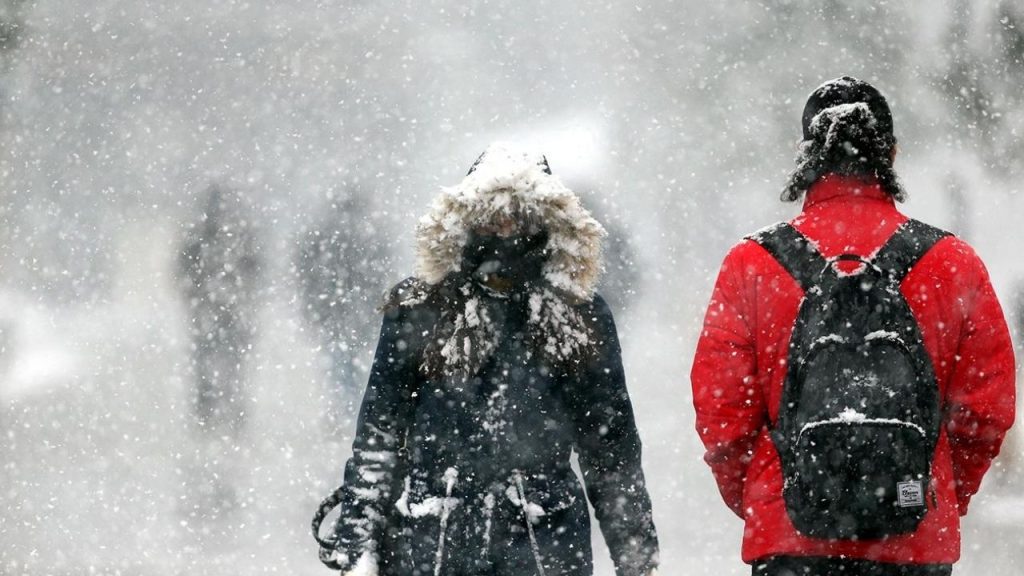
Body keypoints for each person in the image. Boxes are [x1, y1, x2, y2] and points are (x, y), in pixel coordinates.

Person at [691, 77, 1016, 576]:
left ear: (806, 155)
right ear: (889, 153)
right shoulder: (952, 263)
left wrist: (769, 492)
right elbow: (985, 411)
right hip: (915, 538)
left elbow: (723, 413)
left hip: (789, 540)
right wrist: (932, 486)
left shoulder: (751, 263)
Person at [322, 144, 660, 576]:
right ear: (466, 220)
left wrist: (637, 558)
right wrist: (356, 542)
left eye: (520, 215)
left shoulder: (579, 313)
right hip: (434, 539)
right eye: (493, 215)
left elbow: (610, 451)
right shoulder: (421, 306)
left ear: (549, 222)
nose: (505, 228)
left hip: (544, 542)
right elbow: (381, 433)